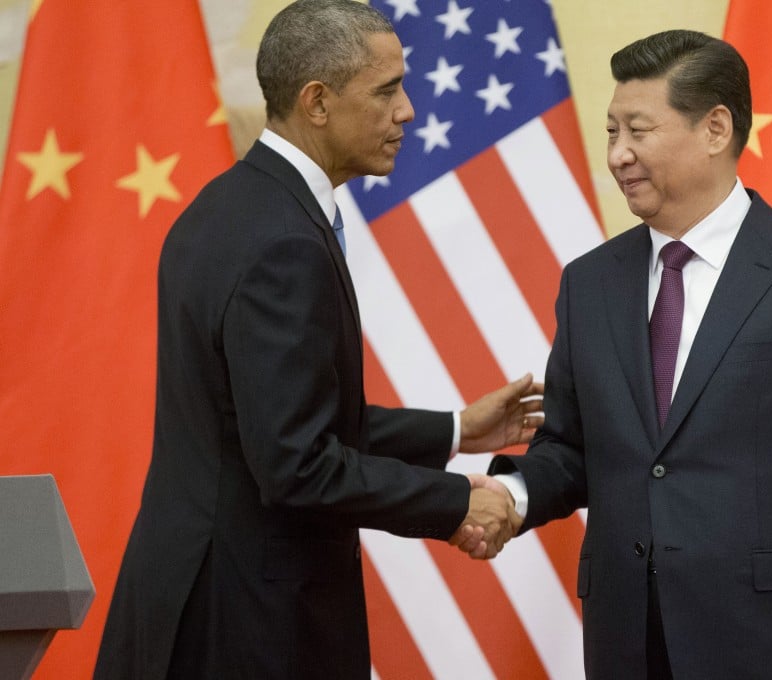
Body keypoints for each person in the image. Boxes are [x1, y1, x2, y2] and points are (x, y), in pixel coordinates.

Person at [93, 1, 537, 678]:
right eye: (386, 91)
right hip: (247, 627)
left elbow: (266, 422)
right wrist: (455, 501)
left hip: (202, 602)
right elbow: (296, 464)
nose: (408, 111)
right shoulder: (283, 242)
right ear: (318, 102)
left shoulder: (228, 206)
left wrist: (454, 430)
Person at [476, 29, 772, 680]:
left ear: (715, 129)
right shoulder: (589, 283)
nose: (618, 154)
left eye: (638, 130)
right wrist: (509, 495)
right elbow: (570, 450)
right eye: (610, 132)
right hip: (628, 639)